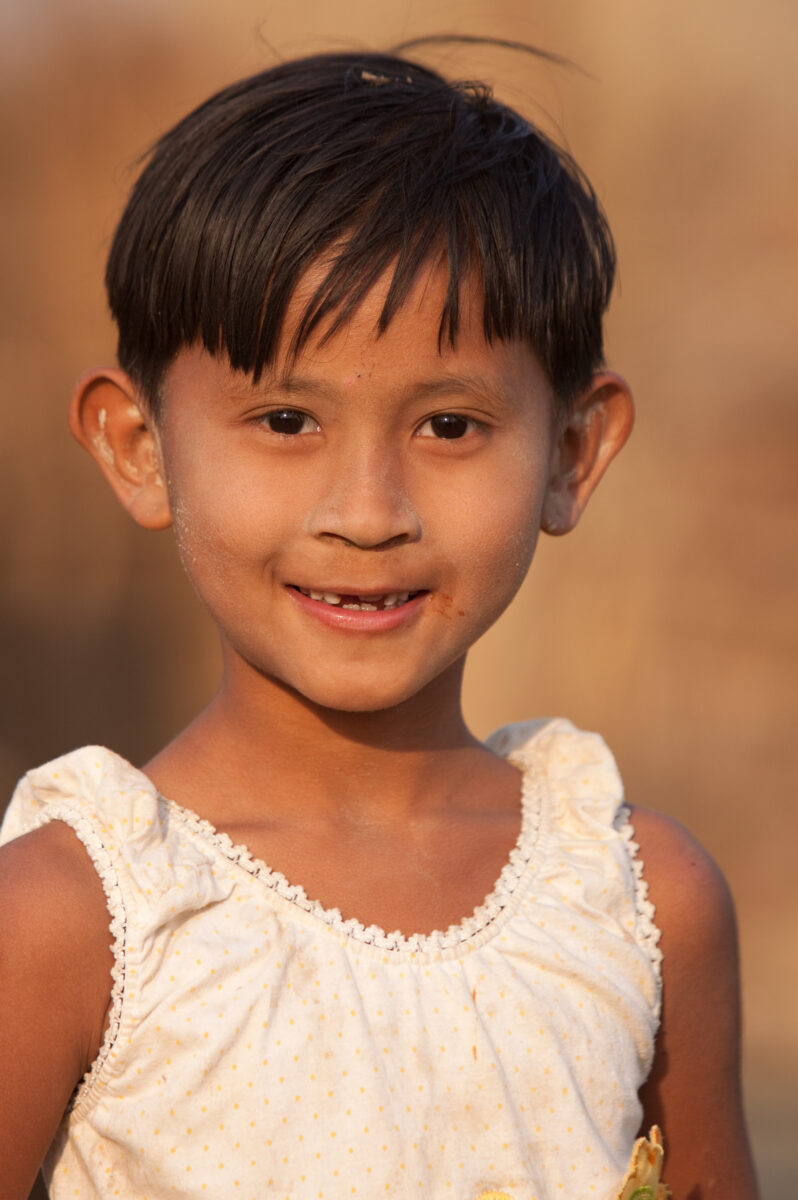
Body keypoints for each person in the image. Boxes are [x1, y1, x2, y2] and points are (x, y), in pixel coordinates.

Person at [0, 46, 758, 1200]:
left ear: (569, 453)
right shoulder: (75, 921)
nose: (367, 514)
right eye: (285, 418)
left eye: (449, 426)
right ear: (139, 448)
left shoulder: (640, 905)